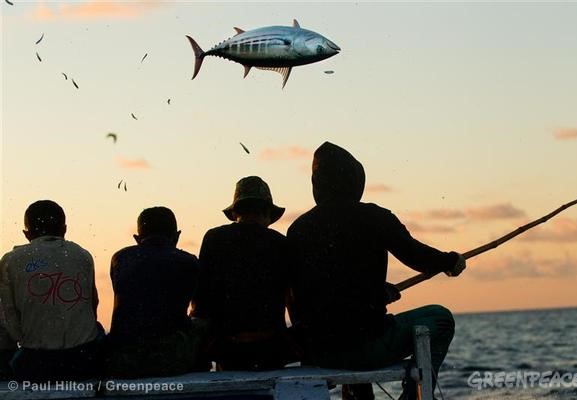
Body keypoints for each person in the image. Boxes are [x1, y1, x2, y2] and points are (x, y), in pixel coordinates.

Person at [287, 142, 466, 400]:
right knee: (441, 318)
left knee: (352, 337)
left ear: (318, 184)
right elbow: (416, 256)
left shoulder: (297, 230)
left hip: (318, 351)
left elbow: (305, 293)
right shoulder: (376, 217)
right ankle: (412, 397)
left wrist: (375, 293)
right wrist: (450, 262)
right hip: (366, 347)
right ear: (355, 180)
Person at [191, 176, 292, 370]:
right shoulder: (280, 243)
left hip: (225, 349)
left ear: (236, 212)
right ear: (268, 213)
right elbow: (293, 298)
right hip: (270, 348)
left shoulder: (214, 239)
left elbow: (200, 300)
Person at [0, 200, 103, 381]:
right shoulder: (82, 255)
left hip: (36, 362)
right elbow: (92, 306)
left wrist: (28, 341)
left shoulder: (11, 261)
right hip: (82, 359)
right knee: (99, 331)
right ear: (64, 229)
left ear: (27, 233)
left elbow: (8, 317)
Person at [106, 206, 206, 378]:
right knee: (203, 323)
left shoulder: (120, 258)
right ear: (177, 236)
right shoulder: (188, 262)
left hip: (123, 360)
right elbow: (197, 309)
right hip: (170, 360)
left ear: (137, 238)